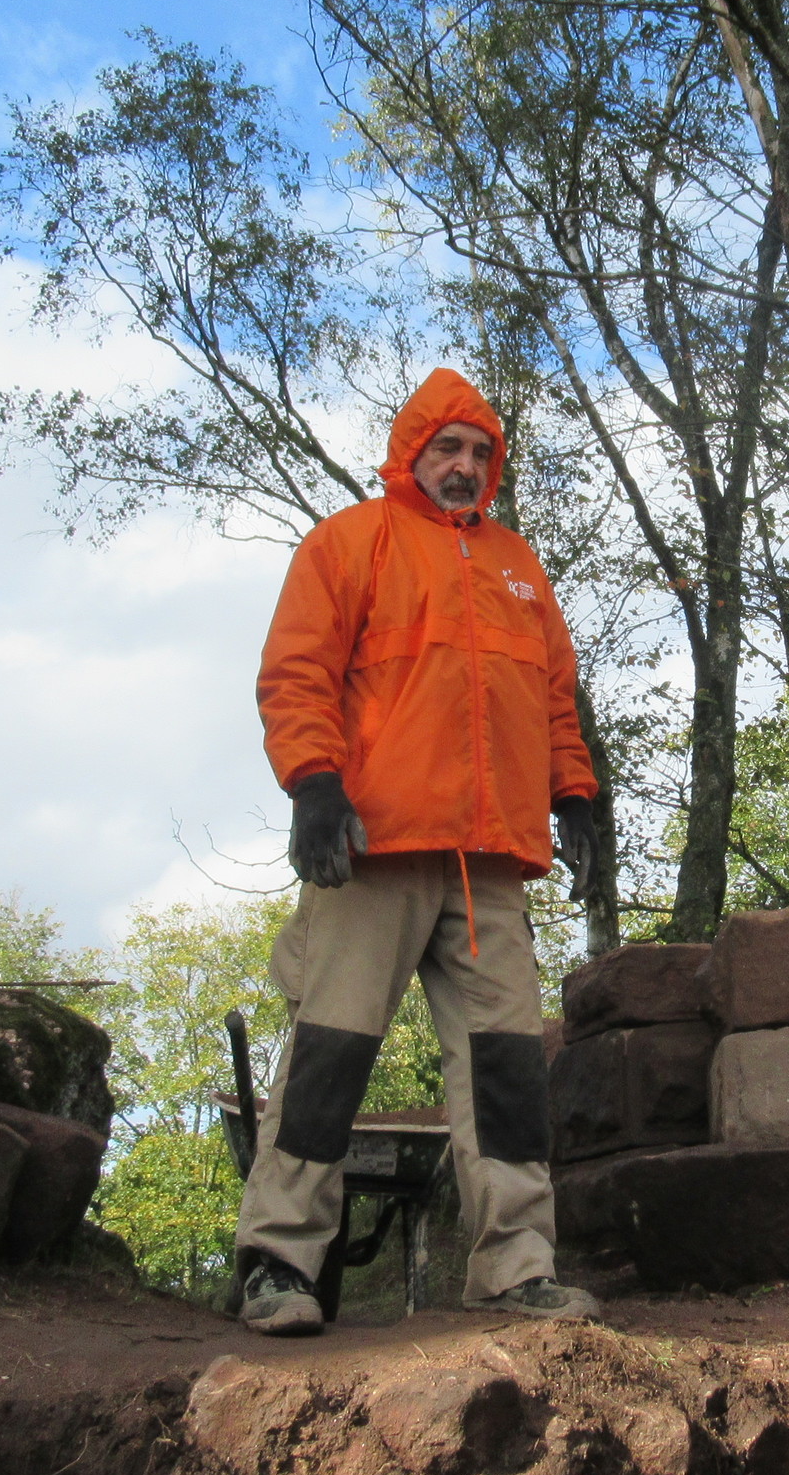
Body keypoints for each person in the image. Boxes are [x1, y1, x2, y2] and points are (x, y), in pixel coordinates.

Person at [233, 367, 605, 1335]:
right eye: (448, 447)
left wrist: (576, 796)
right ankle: (278, 1263)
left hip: (489, 861)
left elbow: (554, 697)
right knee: (330, 1053)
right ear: (411, 452)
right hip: (377, 845)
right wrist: (315, 786)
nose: (465, 465)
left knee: (507, 1070)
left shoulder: (518, 565)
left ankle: (516, 1269)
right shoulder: (350, 541)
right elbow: (296, 673)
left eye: (481, 451)